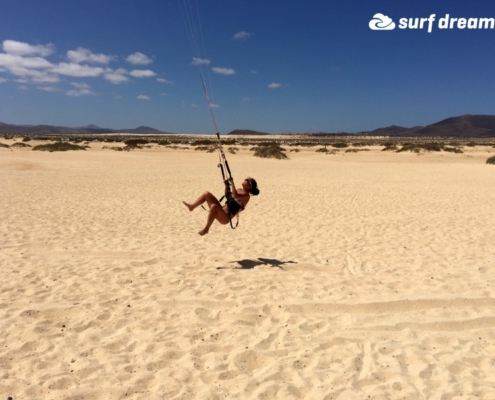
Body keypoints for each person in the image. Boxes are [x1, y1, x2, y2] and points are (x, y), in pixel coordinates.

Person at [183, 177, 259, 236]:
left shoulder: (246, 196)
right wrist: (226, 185)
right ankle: (191, 207)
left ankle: (206, 229)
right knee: (206, 194)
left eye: (247, 180)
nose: (245, 179)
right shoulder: (239, 189)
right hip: (221, 210)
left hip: (225, 217)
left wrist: (232, 182)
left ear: (249, 187)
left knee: (214, 207)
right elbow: (227, 195)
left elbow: (235, 195)